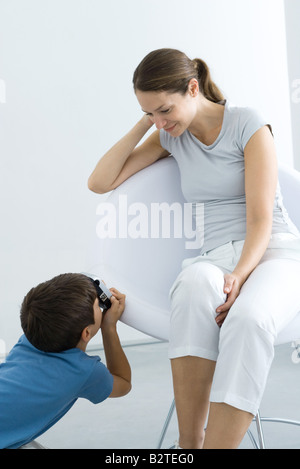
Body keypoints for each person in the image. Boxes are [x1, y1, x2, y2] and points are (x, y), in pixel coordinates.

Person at [88, 48, 300, 449]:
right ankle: (190, 443)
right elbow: (100, 181)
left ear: (192, 87)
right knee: (191, 286)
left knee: (249, 319)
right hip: (214, 255)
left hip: (273, 251)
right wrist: (147, 123)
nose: (161, 122)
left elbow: (261, 221)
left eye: (165, 109)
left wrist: (240, 274)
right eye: (151, 114)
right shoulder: (171, 136)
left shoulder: (247, 124)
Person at [0, 273, 131, 449]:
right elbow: (123, 382)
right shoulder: (84, 371)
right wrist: (109, 327)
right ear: (86, 333)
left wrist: (87, 289)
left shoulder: (30, 338)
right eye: (96, 305)